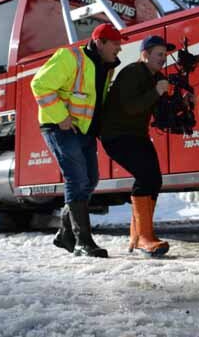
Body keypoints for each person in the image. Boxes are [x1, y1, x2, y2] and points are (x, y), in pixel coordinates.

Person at [30, 23, 123, 258]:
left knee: (90, 179)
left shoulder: (106, 66)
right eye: (115, 44)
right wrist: (61, 117)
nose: (119, 49)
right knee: (76, 178)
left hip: (84, 130)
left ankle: (64, 233)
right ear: (100, 42)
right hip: (59, 126)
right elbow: (39, 84)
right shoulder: (70, 57)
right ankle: (83, 242)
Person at [101, 35, 174, 257]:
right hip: (116, 136)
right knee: (146, 178)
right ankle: (144, 238)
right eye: (159, 54)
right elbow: (131, 107)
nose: (163, 59)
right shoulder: (132, 73)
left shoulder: (155, 76)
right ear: (145, 55)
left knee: (154, 179)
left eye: (165, 55)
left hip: (136, 135)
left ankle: (138, 236)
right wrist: (157, 91)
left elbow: (159, 107)